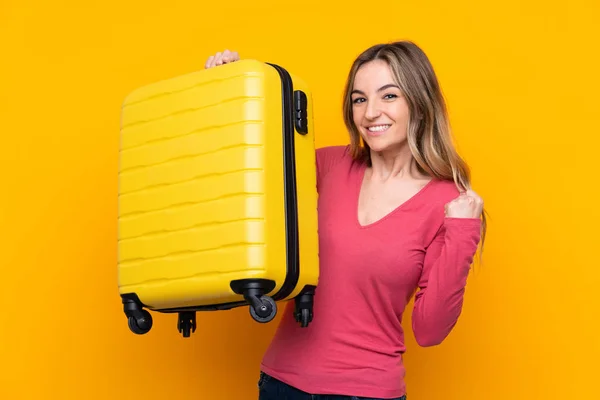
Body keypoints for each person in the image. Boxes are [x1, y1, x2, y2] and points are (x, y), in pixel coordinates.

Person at [204, 41, 486, 400]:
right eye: (359, 99)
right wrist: (224, 94)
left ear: (419, 101)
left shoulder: (448, 203)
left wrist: (463, 233)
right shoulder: (327, 165)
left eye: (388, 96)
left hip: (368, 393)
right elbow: (239, 179)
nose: (370, 113)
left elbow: (429, 331)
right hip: (281, 385)